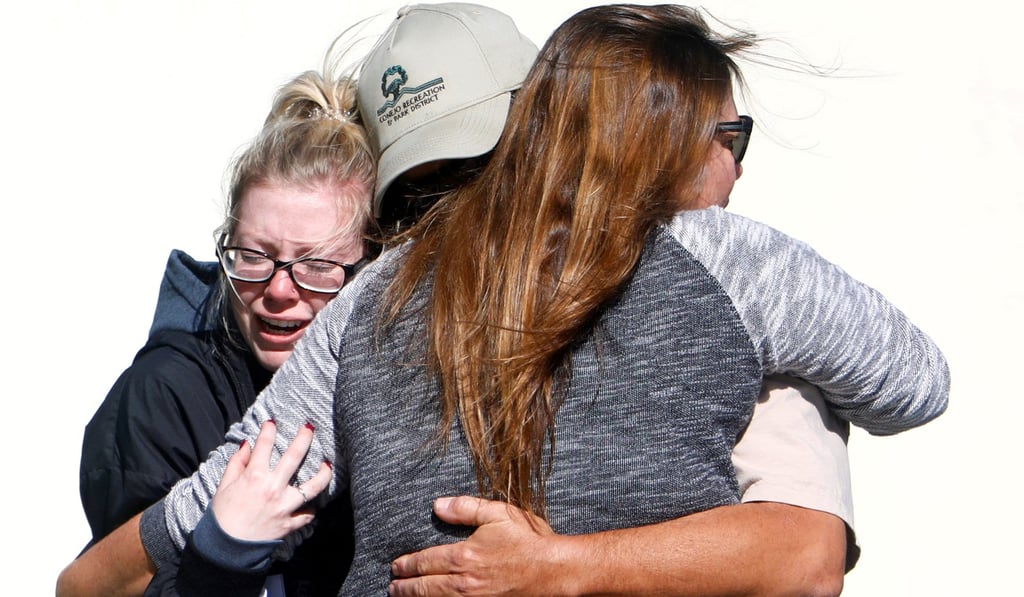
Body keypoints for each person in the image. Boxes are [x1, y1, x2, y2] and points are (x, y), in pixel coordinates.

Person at [57, 4, 948, 596]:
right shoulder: (729, 262)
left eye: (474, 171)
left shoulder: (367, 304)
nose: (451, 223)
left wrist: (560, 565)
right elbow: (915, 386)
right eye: (414, 203)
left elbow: (808, 552)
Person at [72, 59, 376, 595]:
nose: (280, 290)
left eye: (318, 266)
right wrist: (221, 552)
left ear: (373, 269)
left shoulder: (401, 379)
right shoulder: (164, 395)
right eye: (253, 256)